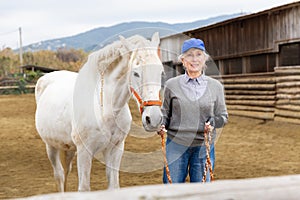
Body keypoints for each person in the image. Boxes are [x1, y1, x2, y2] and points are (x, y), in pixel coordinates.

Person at [157, 38, 228, 183]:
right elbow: (165, 113)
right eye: (189, 55)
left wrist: (213, 122)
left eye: (198, 54)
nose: (194, 59)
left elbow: (223, 117)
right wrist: (161, 124)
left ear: (204, 59)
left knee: (202, 191)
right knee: (173, 190)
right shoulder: (171, 85)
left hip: (203, 146)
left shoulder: (216, 86)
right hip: (176, 145)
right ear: (182, 60)